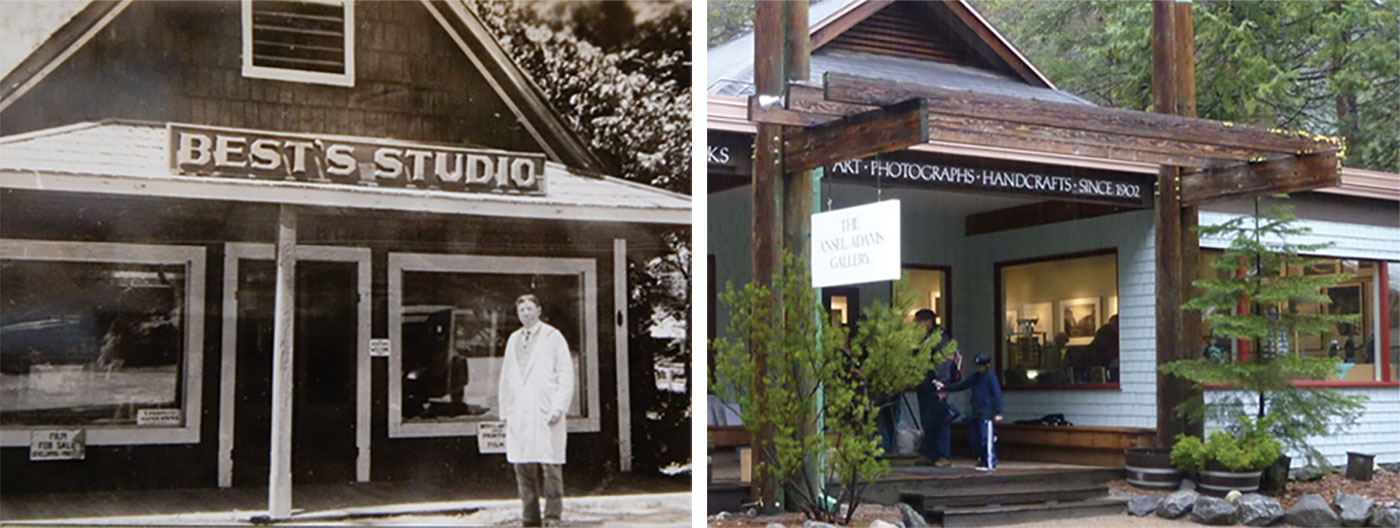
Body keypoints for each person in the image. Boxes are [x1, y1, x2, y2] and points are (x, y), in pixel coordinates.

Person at [498, 294, 575, 527]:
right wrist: (505, 412)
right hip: (519, 412)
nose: (527, 314)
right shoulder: (513, 339)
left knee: (550, 465)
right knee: (523, 465)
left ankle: (552, 516)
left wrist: (559, 407)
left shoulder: (553, 337)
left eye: (530, 309)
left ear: (539, 311)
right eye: (522, 311)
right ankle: (529, 517)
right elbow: (506, 377)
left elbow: (566, 374)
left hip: (546, 410)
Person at [936, 355, 1002, 471]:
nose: (979, 368)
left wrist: (998, 412)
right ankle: (982, 459)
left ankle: (990, 463)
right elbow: (962, 385)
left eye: (981, 366)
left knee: (986, 438)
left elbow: (997, 394)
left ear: (987, 365)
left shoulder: (991, 377)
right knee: (974, 438)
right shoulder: (975, 377)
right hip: (976, 412)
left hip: (986, 413)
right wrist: (945, 387)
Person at [913, 309, 958, 467]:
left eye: (919, 322)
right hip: (923, 385)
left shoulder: (940, 339)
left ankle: (943, 455)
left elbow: (944, 363)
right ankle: (931, 454)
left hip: (936, 386)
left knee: (940, 420)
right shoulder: (922, 340)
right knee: (927, 422)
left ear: (928, 322)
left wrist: (942, 386)